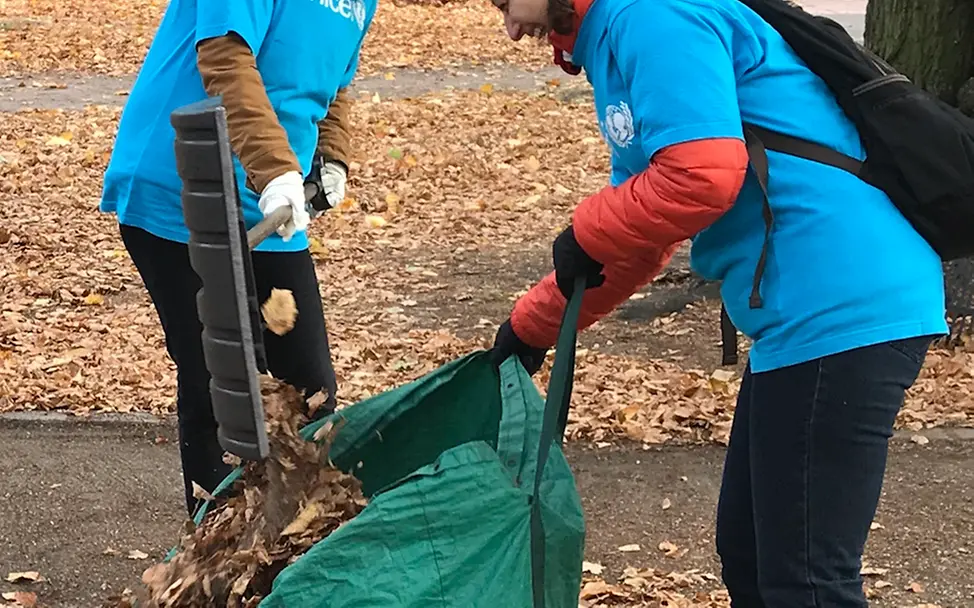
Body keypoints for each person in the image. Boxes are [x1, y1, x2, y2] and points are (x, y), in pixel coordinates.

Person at [487, 0, 948, 604]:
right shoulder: (613, 36)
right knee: (752, 555)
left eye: (503, 3)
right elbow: (641, 229)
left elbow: (701, 176)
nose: (510, 29)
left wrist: (587, 229)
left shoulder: (652, 15)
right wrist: (530, 329)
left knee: (804, 579)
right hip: (801, 313)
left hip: (842, 301)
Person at [99, 0, 376, 515]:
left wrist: (331, 156)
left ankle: (294, 549)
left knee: (309, 392)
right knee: (222, 389)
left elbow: (335, 83)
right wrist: (274, 171)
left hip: (270, 205)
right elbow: (225, 54)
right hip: (183, 188)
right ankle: (218, 561)